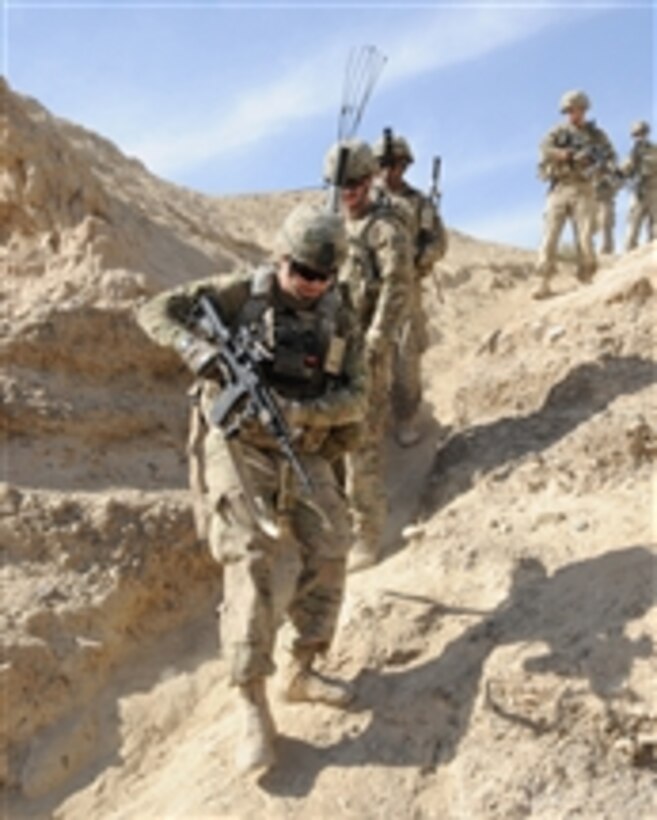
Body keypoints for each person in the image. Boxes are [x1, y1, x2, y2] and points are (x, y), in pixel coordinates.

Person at [136, 204, 366, 775]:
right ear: (280, 258)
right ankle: (251, 703)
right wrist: (202, 353)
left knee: (334, 543)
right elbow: (154, 311)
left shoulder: (340, 315)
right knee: (251, 554)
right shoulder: (240, 293)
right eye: (303, 273)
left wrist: (300, 410)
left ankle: (304, 667)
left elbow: (359, 395)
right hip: (236, 440)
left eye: (323, 277)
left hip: (302, 442)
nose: (312, 286)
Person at [323, 138, 414, 572]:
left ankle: (368, 536)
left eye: (356, 183)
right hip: (328, 351)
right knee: (328, 442)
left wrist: (377, 339)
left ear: (370, 181)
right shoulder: (330, 227)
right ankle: (336, 526)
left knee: (362, 446)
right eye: (341, 184)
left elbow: (398, 286)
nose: (348, 192)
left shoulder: (385, 229)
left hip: (366, 352)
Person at [371, 130, 448, 446]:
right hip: (371, 287)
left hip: (406, 287)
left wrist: (421, 257)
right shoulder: (366, 199)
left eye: (398, 164)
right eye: (385, 164)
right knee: (369, 356)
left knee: (406, 356)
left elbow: (438, 241)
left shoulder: (418, 203)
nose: (391, 171)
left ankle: (405, 417)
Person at [534, 90, 616, 299]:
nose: (574, 114)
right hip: (560, 188)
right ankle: (543, 281)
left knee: (585, 238)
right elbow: (544, 148)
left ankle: (586, 277)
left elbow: (611, 157)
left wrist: (598, 165)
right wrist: (566, 155)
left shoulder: (597, 135)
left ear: (584, 109)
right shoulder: (559, 132)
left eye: (577, 109)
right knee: (549, 236)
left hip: (584, 188)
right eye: (570, 110)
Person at [621, 120, 657, 250]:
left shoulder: (654, 150)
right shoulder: (632, 153)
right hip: (638, 191)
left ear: (647, 133)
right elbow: (624, 170)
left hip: (654, 190)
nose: (639, 137)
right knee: (633, 224)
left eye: (641, 133)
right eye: (636, 134)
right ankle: (629, 253)